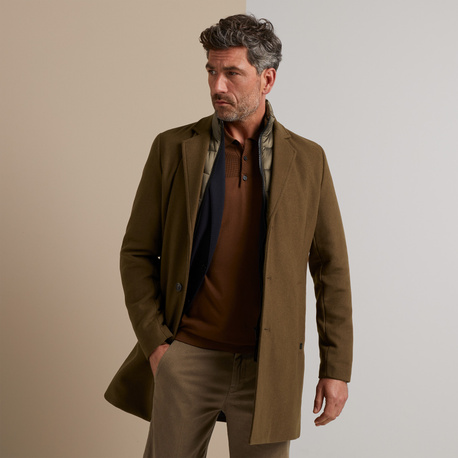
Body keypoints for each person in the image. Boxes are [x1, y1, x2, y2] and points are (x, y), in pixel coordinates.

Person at [105, 14, 353, 458]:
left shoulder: (307, 160)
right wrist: (158, 345)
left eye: (232, 73)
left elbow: (330, 268)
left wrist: (336, 367)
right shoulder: (172, 149)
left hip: (268, 367)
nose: (217, 86)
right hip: (186, 357)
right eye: (211, 71)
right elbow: (137, 253)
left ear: (267, 79)